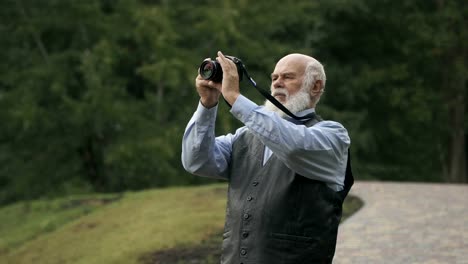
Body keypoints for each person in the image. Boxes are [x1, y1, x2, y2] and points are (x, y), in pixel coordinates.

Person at [181, 51, 353, 264]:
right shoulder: (245, 136)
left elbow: (293, 147)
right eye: (274, 78)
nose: (278, 83)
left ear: (315, 86)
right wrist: (207, 104)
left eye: (288, 77)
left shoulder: (332, 135)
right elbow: (196, 161)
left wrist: (235, 98)